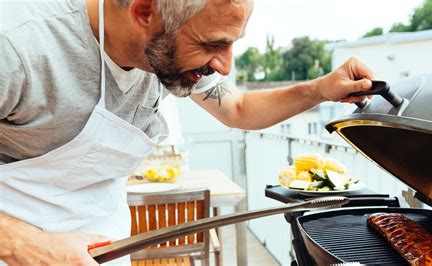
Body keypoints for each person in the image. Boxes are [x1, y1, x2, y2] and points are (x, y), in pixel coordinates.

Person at [0, 0, 374, 264]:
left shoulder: (167, 49)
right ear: (145, 12)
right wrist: (25, 246)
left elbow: (238, 108)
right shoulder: (16, 45)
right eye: (214, 44)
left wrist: (320, 89)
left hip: (103, 243)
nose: (224, 67)